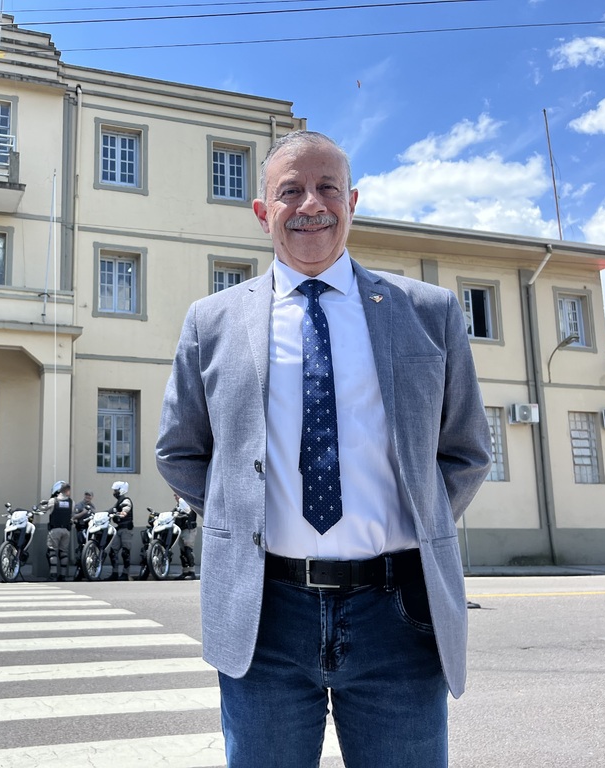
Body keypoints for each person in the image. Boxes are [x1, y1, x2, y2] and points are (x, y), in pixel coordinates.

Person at [155, 130, 490, 768]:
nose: (311, 203)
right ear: (263, 213)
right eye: (291, 191)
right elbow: (180, 451)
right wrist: (242, 518)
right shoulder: (212, 321)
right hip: (265, 616)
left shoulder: (429, 312)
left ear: (352, 201)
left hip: (399, 616)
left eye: (327, 188)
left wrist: (420, 514)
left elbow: (465, 451)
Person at [43, 480, 73, 582]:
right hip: (66, 531)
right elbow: (72, 515)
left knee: (52, 552)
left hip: (55, 530)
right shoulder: (71, 502)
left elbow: (44, 509)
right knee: (63, 552)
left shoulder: (53, 501)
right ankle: (63, 575)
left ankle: (53, 574)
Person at [107, 480, 134, 581]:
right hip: (119, 529)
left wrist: (122, 513)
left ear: (121, 490)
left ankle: (125, 574)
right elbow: (111, 510)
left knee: (125, 552)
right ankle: (114, 573)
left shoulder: (126, 501)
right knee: (113, 551)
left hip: (126, 529)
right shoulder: (118, 502)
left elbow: (125, 510)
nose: (114, 493)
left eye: (116, 491)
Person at [172, 494, 198, 580]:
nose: (176, 497)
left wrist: (181, 515)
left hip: (189, 529)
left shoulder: (188, 503)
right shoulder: (178, 506)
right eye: (175, 496)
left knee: (188, 551)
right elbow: (172, 513)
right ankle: (185, 571)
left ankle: (192, 571)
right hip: (181, 530)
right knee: (182, 552)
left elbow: (190, 513)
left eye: (177, 496)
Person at [71, 490, 95, 581]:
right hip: (81, 529)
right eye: (86, 495)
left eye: (89, 496)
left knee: (89, 550)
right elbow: (74, 517)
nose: (87, 497)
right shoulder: (80, 505)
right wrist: (83, 512)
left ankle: (87, 571)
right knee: (81, 550)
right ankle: (79, 571)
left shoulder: (92, 506)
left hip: (90, 530)